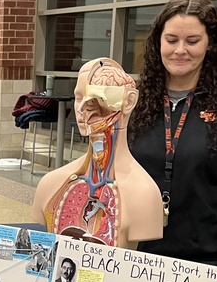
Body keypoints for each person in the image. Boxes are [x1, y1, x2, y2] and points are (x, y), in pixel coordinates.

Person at [129, 0, 217, 282]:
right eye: (171, 40)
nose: (180, 50)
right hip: (137, 260)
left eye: (192, 41)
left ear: (211, 43)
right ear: (158, 43)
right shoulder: (137, 100)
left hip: (207, 264)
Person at [31, 58, 163, 247]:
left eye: (98, 98)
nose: (82, 108)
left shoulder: (145, 195)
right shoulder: (50, 184)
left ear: (129, 101)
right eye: (78, 97)